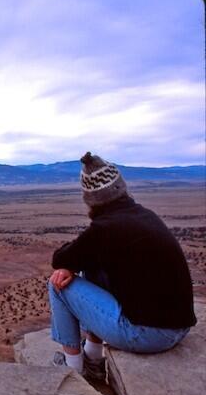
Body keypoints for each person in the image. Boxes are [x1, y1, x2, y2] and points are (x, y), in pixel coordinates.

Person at [48, 152, 197, 381]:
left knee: (58, 284)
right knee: (93, 268)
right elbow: (80, 256)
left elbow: (60, 259)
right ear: (121, 188)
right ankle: (93, 359)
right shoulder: (144, 216)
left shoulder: (105, 229)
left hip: (147, 335)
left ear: (91, 198)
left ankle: (73, 370)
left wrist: (68, 266)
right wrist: (75, 262)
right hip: (179, 328)